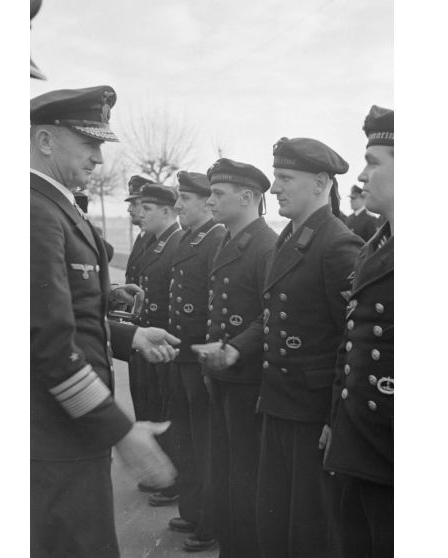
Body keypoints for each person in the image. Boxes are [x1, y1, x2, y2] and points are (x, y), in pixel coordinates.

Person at [30, 85, 179, 558]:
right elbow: (47, 341)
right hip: (57, 438)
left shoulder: (53, 207)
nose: (98, 158)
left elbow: (72, 313)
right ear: (46, 141)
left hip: (66, 434)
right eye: (89, 144)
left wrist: (130, 335)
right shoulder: (34, 211)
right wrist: (120, 431)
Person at [196, 140, 363, 558]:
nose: (276, 189)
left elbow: (353, 340)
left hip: (311, 412)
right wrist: (237, 349)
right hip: (279, 402)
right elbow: (271, 316)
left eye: (287, 179)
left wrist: (335, 418)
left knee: (308, 528)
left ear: (321, 183)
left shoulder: (337, 244)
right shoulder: (291, 238)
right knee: (276, 521)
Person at [192, 158, 278, 558]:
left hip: (247, 380)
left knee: (244, 477)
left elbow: (273, 313)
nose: (210, 201)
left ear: (248, 197)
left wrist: (236, 347)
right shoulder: (227, 240)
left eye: (218, 194)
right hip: (225, 378)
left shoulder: (265, 245)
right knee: (226, 472)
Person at [322, 105, 394, 558]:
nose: (363, 176)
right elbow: (351, 342)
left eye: (374, 162)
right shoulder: (377, 244)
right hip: (363, 442)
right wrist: (336, 418)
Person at [166, 171, 225, 552]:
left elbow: (215, 304)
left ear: (206, 203)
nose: (178, 206)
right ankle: (191, 509)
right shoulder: (190, 237)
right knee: (187, 438)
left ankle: (209, 521)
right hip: (181, 354)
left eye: (184, 199)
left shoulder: (215, 238)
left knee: (205, 445)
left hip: (198, 356)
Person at [137, 183, 184, 505]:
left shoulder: (175, 242)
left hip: (167, 342)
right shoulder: (156, 243)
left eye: (147, 208)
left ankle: (171, 479)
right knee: (155, 408)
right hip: (153, 341)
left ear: (167, 211)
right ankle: (162, 474)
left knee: (166, 411)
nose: (139, 213)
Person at [123, 175, 155, 426]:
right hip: (138, 332)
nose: (131, 209)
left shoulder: (158, 240)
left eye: (137, 203)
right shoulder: (143, 238)